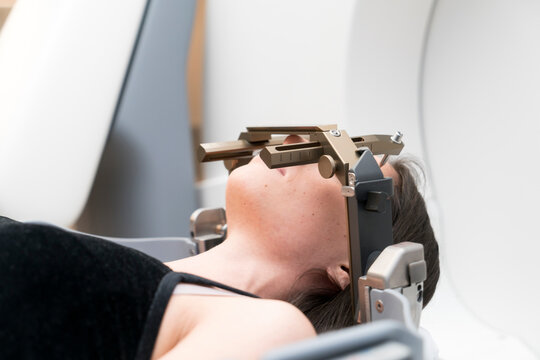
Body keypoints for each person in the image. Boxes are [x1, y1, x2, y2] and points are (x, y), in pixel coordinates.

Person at [0, 135, 439, 359]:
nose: (292, 143)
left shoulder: (272, 328)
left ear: (350, 267)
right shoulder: (142, 271)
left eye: (353, 162)